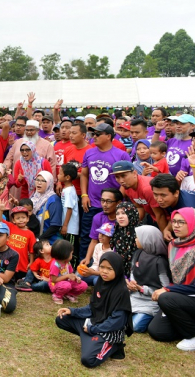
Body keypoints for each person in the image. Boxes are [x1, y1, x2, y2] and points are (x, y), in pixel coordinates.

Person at [148, 208, 195, 351]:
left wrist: (168, 290)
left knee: (166, 299)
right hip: (184, 297)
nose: (176, 225)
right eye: (174, 221)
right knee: (157, 331)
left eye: (182, 222)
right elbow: (175, 279)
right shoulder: (173, 245)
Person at [56, 251, 133, 368]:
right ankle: (90, 339)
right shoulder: (101, 283)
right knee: (62, 319)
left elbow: (117, 322)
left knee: (88, 360)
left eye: (109, 269)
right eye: (102, 267)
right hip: (94, 323)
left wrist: (93, 329)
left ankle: (115, 346)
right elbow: (92, 308)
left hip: (109, 331)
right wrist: (72, 311)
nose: (104, 271)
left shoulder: (121, 291)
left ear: (117, 270)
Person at [80, 122, 131, 260]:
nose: (93, 137)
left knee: (113, 236)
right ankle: (84, 264)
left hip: (112, 206)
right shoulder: (89, 152)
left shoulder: (121, 155)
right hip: (91, 203)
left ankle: (110, 266)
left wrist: (117, 201)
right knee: (87, 236)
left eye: (97, 134)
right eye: (93, 134)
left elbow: (125, 181)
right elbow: (84, 174)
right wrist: (84, 195)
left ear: (109, 136)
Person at [127, 225, 170, 333]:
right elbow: (133, 274)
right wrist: (131, 284)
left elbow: (165, 289)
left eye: (138, 237)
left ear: (147, 239)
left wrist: (142, 289)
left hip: (151, 301)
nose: (135, 239)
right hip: (134, 297)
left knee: (136, 326)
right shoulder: (137, 253)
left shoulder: (160, 262)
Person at [49, 239, 88, 305]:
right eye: (71, 253)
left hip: (67, 283)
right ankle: (57, 296)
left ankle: (70, 294)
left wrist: (76, 277)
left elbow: (71, 273)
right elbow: (53, 280)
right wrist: (67, 276)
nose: (72, 255)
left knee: (83, 285)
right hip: (56, 284)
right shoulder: (55, 264)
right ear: (65, 254)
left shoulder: (67, 263)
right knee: (66, 285)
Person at [5, 206, 36, 280]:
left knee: (20, 278)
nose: (21, 220)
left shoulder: (30, 234)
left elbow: (32, 250)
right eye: (18, 218)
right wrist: (0, 210)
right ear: (13, 220)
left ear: (28, 218)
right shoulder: (11, 227)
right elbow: (0, 220)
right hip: (8, 261)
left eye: (23, 217)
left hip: (22, 263)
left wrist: (31, 262)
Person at [58, 163, 80, 258]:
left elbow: (69, 209)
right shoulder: (66, 189)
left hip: (70, 228)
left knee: (70, 250)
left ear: (67, 177)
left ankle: (72, 268)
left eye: (60, 173)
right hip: (67, 226)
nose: (58, 175)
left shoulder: (70, 191)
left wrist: (65, 225)